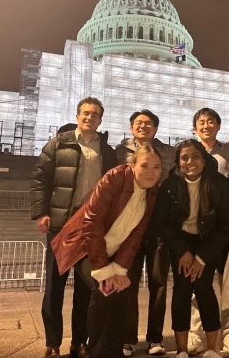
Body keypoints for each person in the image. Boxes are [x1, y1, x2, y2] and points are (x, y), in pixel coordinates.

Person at [51, 143, 163, 358]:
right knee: (104, 290)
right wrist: (103, 268)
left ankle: (114, 351)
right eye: (145, 165)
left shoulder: (152, 192)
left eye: (157, 167)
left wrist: (120, 268)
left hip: (112, 250)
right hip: (84, 246)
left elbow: (136, 234)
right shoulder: (115, 178)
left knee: (121, 294)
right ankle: (96, 352)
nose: (151, 172)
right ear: (132, 165)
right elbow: (91, 222)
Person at [31, 97, 117, 358]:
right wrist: (41, 212)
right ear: (78, 116)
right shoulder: (59, 143)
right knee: (54, 287)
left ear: (101, 120)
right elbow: (39, 179)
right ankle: (52, 342)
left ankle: (79, 341)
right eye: (86, 114)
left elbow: (113, 188)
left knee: (85, 289)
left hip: (90, 225)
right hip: (60, 225)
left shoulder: (106, 149)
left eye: (95, 115)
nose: (90, 118)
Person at [154, 139, 229, 358]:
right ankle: (181, 350)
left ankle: (213, 349)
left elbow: (227, 223)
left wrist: (201, 257)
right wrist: (182, 252)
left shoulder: (219, 183)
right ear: (178, 161)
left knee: (204, 288)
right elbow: (163, 222)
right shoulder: (171, 184)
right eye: (184, 158)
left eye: (195, 156)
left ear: (204, 159)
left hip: (208, 241)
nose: (190, 162)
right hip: (180, 242)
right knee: (181, 290)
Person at [115, 109, 175, 356]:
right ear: (131, 128)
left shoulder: (168, 152)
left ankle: (154, 339)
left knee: (159, 284)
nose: (144, 127)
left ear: (156, 129)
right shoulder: (119, 152)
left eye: (149, 124)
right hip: (130, 226)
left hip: (159, 226)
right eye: (139, 123)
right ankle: (128, 338)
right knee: (128, 284)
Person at [188, 108, 229, 356]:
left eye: (211, 121)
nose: (206, 125)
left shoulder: (228, 153)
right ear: (194, 127)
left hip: (226, 226)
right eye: (201, 122)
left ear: (219, 127)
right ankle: (195, 333)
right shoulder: (189, 151)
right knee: (197, 281)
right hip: (197, 228)